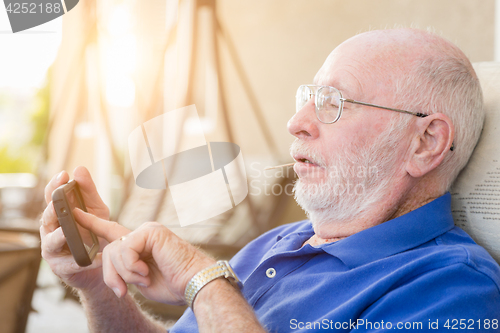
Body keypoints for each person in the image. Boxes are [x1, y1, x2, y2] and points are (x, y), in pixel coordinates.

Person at [40, 28, 500, 332]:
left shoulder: (453, 291)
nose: (296, 122)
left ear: (426, 143)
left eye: (334, 103)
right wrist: (99, 284)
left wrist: (203, 280)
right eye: (309, 98)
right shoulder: (280, 243)